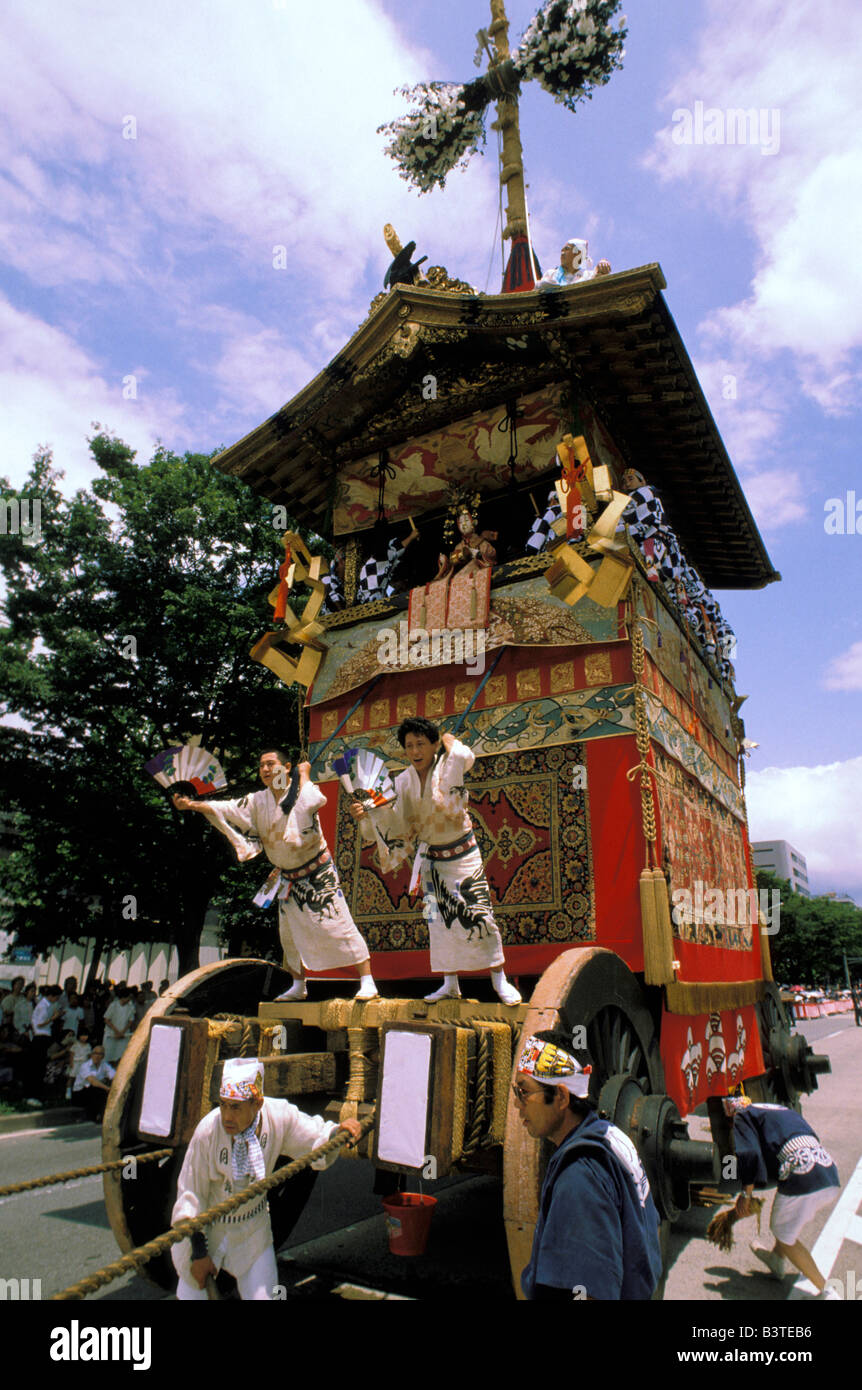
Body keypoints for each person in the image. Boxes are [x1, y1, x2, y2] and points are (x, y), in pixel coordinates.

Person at [174, 749, 378, 1003]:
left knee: (338, 924)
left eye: (271, 764)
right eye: (261, 766)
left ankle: (367, 981)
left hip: (317, 872)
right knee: (289, 935)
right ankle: (298, 984)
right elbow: (226, 807)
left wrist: (304, 775)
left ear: (287, 767)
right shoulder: (258, 800)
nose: (265, 770)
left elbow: (314, 800)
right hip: (287, 876)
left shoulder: (301, 788)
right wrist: (192, 804)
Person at [350, 718, 521, 1005]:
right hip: (431, 858)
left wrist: (451, 743)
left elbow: (466, 757)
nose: (415, 751)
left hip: (462, 853)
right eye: (409, 746)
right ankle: (450, 983)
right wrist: (368, 815)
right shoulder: (402, 781)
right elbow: (395, 821)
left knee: (480, 914)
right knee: (438, 921)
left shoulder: (447, 766)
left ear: (433, 745)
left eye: (420, 744)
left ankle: (498, 978)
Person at [171, 1058, 362, 1300]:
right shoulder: (208, 1131)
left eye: (236, 1107)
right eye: (223, 1105)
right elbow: (191, 1194)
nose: (227, 1116)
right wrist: (198, 1254)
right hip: (205, 1232)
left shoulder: (278, 1116)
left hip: (252, 1229)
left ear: (257, 1103)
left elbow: (313, 1137)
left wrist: (337, 1133)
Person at [516, 1031, 663, 1300]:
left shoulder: (580, 1177)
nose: (516, 1103)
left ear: (561, 1097)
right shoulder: (608, 1134)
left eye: (524, 1091)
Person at [723, 1092, 841, 1299]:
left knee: (783, 1233)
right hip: (827, 1170)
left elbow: (750, 1153)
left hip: (803, 1174)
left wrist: (746, 1194)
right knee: (787, 1220)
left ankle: (828, 1292)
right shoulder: (780, 1110)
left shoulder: (743, 1114)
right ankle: (777, 1259)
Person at [538, 238, 611, 289]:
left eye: (566, 249)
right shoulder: (551, 274)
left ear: (578, 253)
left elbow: (600, 279)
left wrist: (603, 267)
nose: (562, 252)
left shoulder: (588, 276)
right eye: (562, 250)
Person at [72, 1043, 116, 1121]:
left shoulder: (104, 1065)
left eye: (100, 1054)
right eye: (95, 1053)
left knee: (99, 1091)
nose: (97, 1056)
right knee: (96, 1089)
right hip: (79, 1093)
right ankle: (92, 1116)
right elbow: (93, 1081)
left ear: (103, 1056)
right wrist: (108, 1089)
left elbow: (114, 1076)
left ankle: (102, 1116)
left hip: (95, 1091)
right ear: (92, 1054)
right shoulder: (85, 1066)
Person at [102, 983, 135, 1064]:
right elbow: (106, 1019)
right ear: (124, 996)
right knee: (108, 1056)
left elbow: (130, 1021)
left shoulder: (131, 1007)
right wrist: (117, 1031)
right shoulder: (113, 1005)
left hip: (123, 1035)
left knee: (121, 1057)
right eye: (128, 997)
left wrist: (122, 1032)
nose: (129, 999)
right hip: (111, 1034)